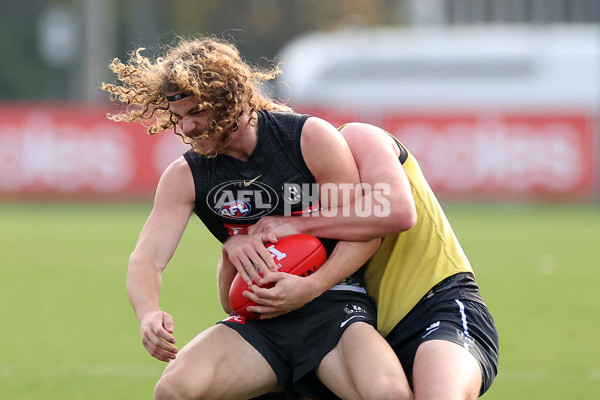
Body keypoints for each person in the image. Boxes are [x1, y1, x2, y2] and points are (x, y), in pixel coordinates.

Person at [102, 36, 411, 400]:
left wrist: (311, 286)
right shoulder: (185, 176)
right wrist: (148, 313)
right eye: (179, 117)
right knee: (173, 390)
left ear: (226, 99)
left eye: (195, 114)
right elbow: (147, 257)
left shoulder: (308, 138)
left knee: (390, 394)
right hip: (259, 320)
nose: (185, 129)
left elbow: (365, 229)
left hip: (333, 305)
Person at [246, 122, 500, 400]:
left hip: (438, 304)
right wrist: (236, 246)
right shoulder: (290, 184)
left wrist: (300, 225)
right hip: (359, 328)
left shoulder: (356, 136)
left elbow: (399, 212)